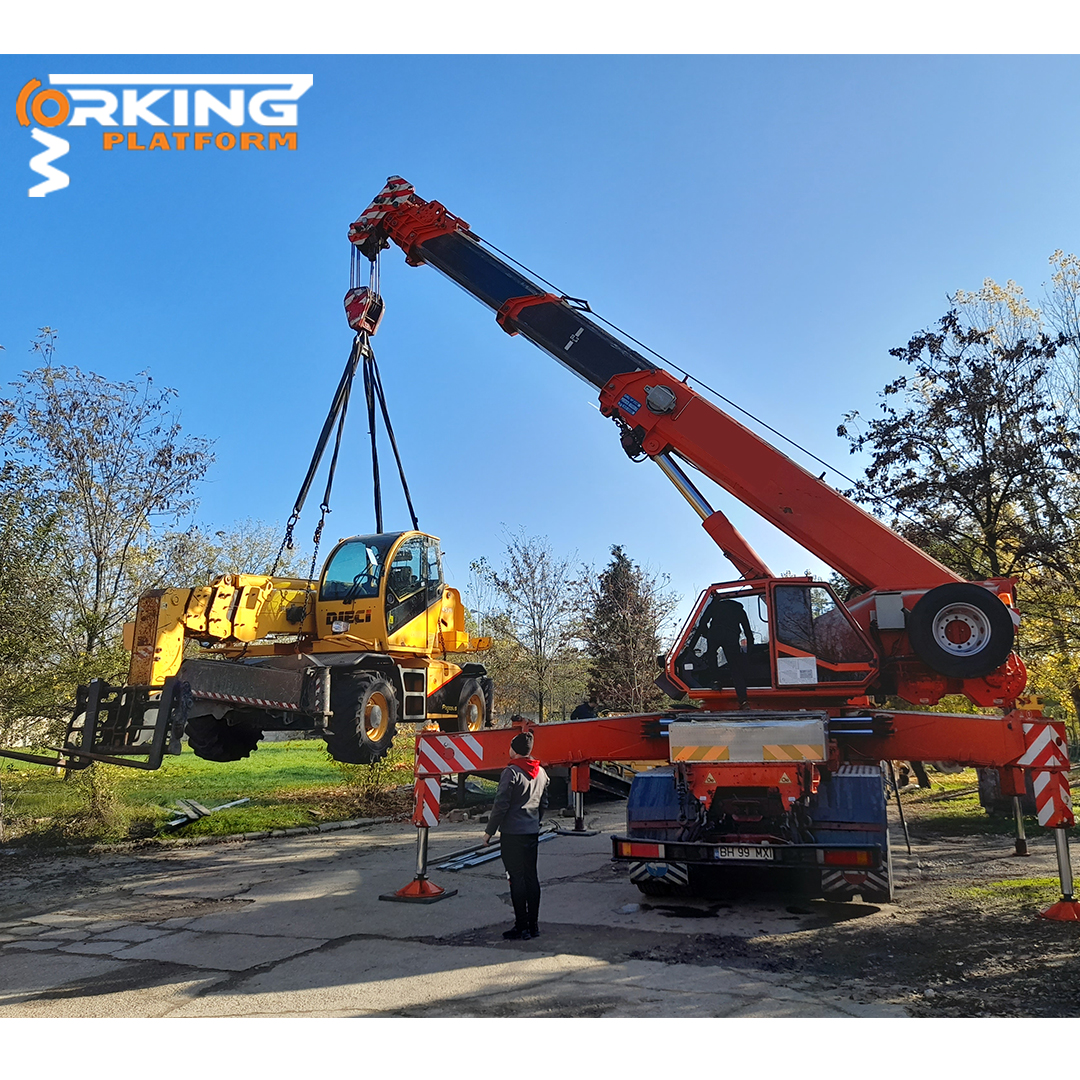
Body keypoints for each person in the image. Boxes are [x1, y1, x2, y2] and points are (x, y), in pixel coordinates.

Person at [483, 730, 550, 940]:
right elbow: (544, 804)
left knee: (516, 878)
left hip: (512, 834)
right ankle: (534, 926)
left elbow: (501, 804)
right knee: (532, 877)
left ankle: (521, 926)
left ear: (515, 749)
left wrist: (489, 832)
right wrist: (534, 822)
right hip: (531, 833)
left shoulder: (511, 773)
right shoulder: (541, 773)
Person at [699, 594, 754, 708]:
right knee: (735, 667)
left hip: (715, 633)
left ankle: (715, 681)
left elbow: (702, 622)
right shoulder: (740, 611)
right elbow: (748, 631)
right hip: (731, 636)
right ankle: (743, 700)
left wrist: (707, 635)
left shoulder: (715, 606)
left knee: (711, 654)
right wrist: (750, 652)